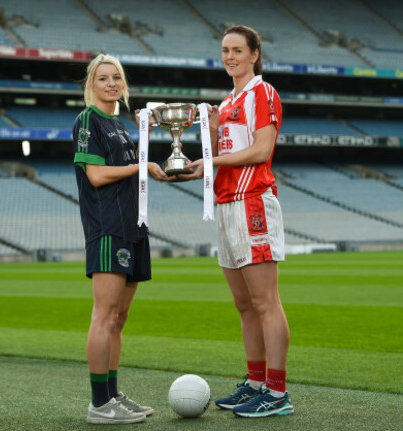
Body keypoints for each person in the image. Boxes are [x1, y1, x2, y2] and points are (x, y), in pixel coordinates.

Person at [179, 25, 293, 418]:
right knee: (244, 304)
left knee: (265, 302)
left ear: (254, 54)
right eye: (225, 50)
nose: (230, 57)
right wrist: (206, 142)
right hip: (226, 203)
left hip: (253, 202)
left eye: (237, 50)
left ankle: (277, 393)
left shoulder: (263, 93)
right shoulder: (228, 102)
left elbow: (261, 150)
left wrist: (211, 160)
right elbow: (220, 157)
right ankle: (256, 382)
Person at [72, 53, 169, 424]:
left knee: (120, 317)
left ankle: (113, 394)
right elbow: (96, 175)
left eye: (116, 78)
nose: (111, 84)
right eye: (103, 78)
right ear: (91, 85)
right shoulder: (88, 120)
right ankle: (99, 403)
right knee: (104, 315)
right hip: (108, 227)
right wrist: (141, 166)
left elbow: (131, 169)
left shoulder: (121, 125)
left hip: (133, 228)